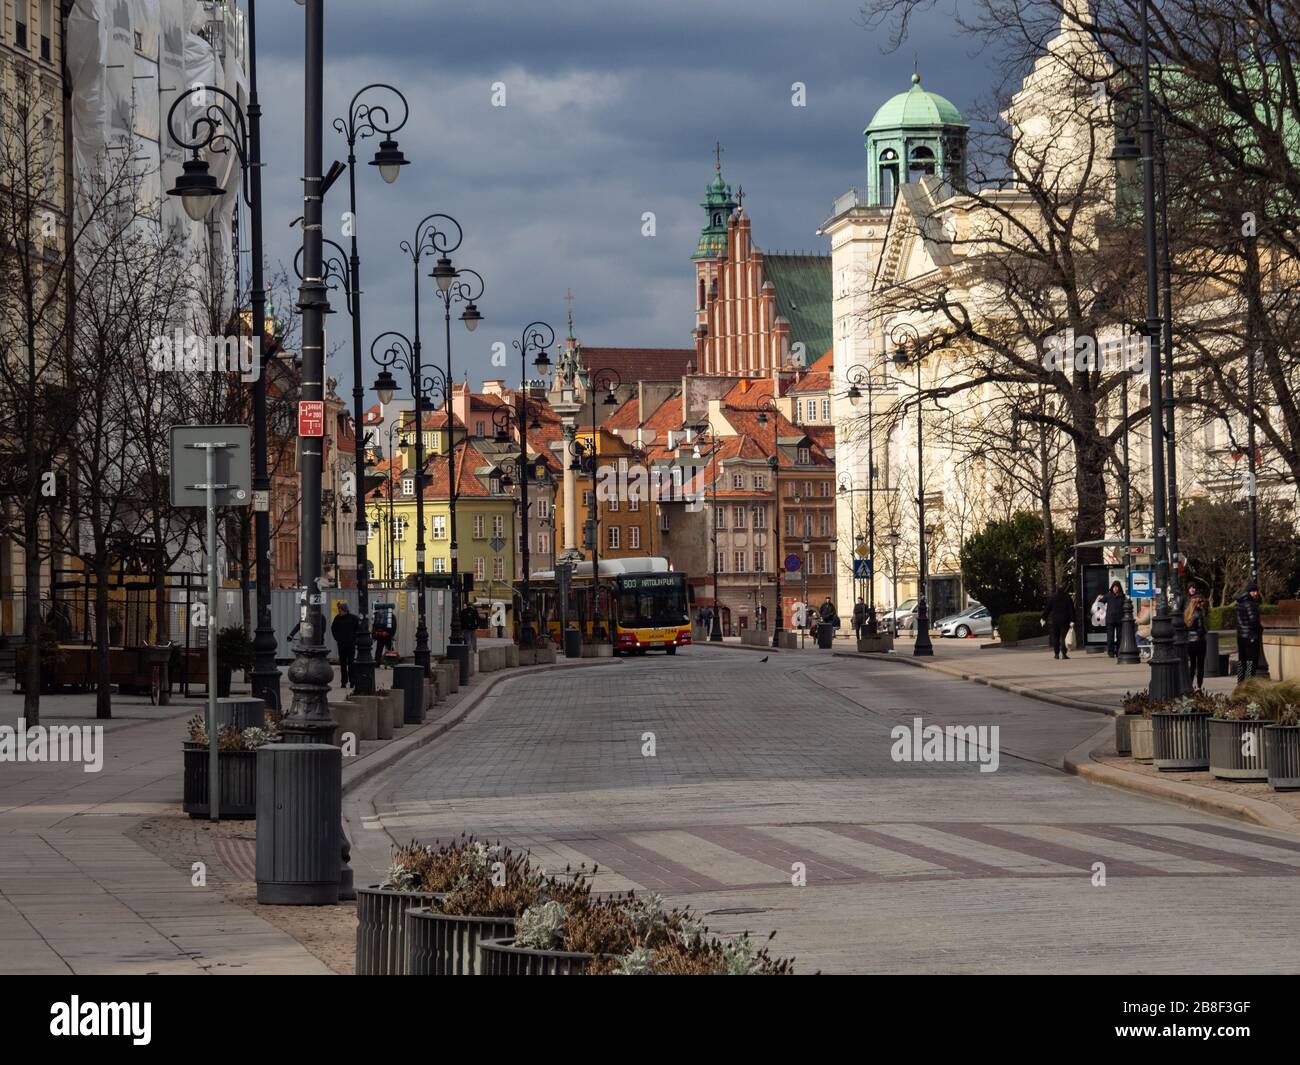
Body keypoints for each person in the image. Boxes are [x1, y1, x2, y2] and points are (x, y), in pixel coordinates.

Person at [1235, 580, 1264, 681]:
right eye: (1253, 591)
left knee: (1241, 661)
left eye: (1256, 591)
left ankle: (1240, 681)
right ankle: (1248, 683)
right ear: (1249, 592)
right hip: (1251, 636)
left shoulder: (1239, 603)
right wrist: (1260, 629)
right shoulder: (1250, 604)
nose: (1256, 593)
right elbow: (1254, 621)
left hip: (1240, 636)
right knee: (1251, 662)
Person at [330, 602, 361, 688]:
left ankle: (352, 681)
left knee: (351, 664)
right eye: (339, 610)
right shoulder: (337, 618)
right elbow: (333, 628)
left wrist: (355, 639)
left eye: (341, 610)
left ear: (345, 610)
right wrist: (337, 638)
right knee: (343, 664)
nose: (339, 612)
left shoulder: (353, 618)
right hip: (341, 644)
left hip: (351, 645)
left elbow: (358, 629)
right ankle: (343, 682)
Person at [1041, 586, 1076, 660]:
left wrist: (1043, 618)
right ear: (1064, 591)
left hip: (1055, 620)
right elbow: (1071, 610)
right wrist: (1072, 620)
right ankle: (1064, 654)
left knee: (1055, 637)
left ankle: (1056, 654)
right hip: (1065, 620)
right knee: (1064, 637)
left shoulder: (1053, 598)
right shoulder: (1067, 598)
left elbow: (1047, 609)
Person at [1185, 593, 1209, 690]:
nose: (1202, 604)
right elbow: (1201, 629)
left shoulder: (1187, 613)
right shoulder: (1199, 614)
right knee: (1200, 666)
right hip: (1199, 642)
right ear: (1197, 604)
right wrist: (1204, 631)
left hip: (1190, 642)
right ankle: (1199, 686)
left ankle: (1190, 684)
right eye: (1201, 602)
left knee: (1192, 665)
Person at [1103, 580, 1126, 657]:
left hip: (1119, 619)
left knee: (1120, 637)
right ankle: (1110, 652)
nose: (1115, 588)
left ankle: (1118, 651)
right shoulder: (1108, 595)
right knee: (1110, 637)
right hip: (1110, 619)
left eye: (1117, 587)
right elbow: (1100, 602)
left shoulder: (1122, 596)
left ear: (1119, 588)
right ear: (1112, 588)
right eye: (1114, 587)